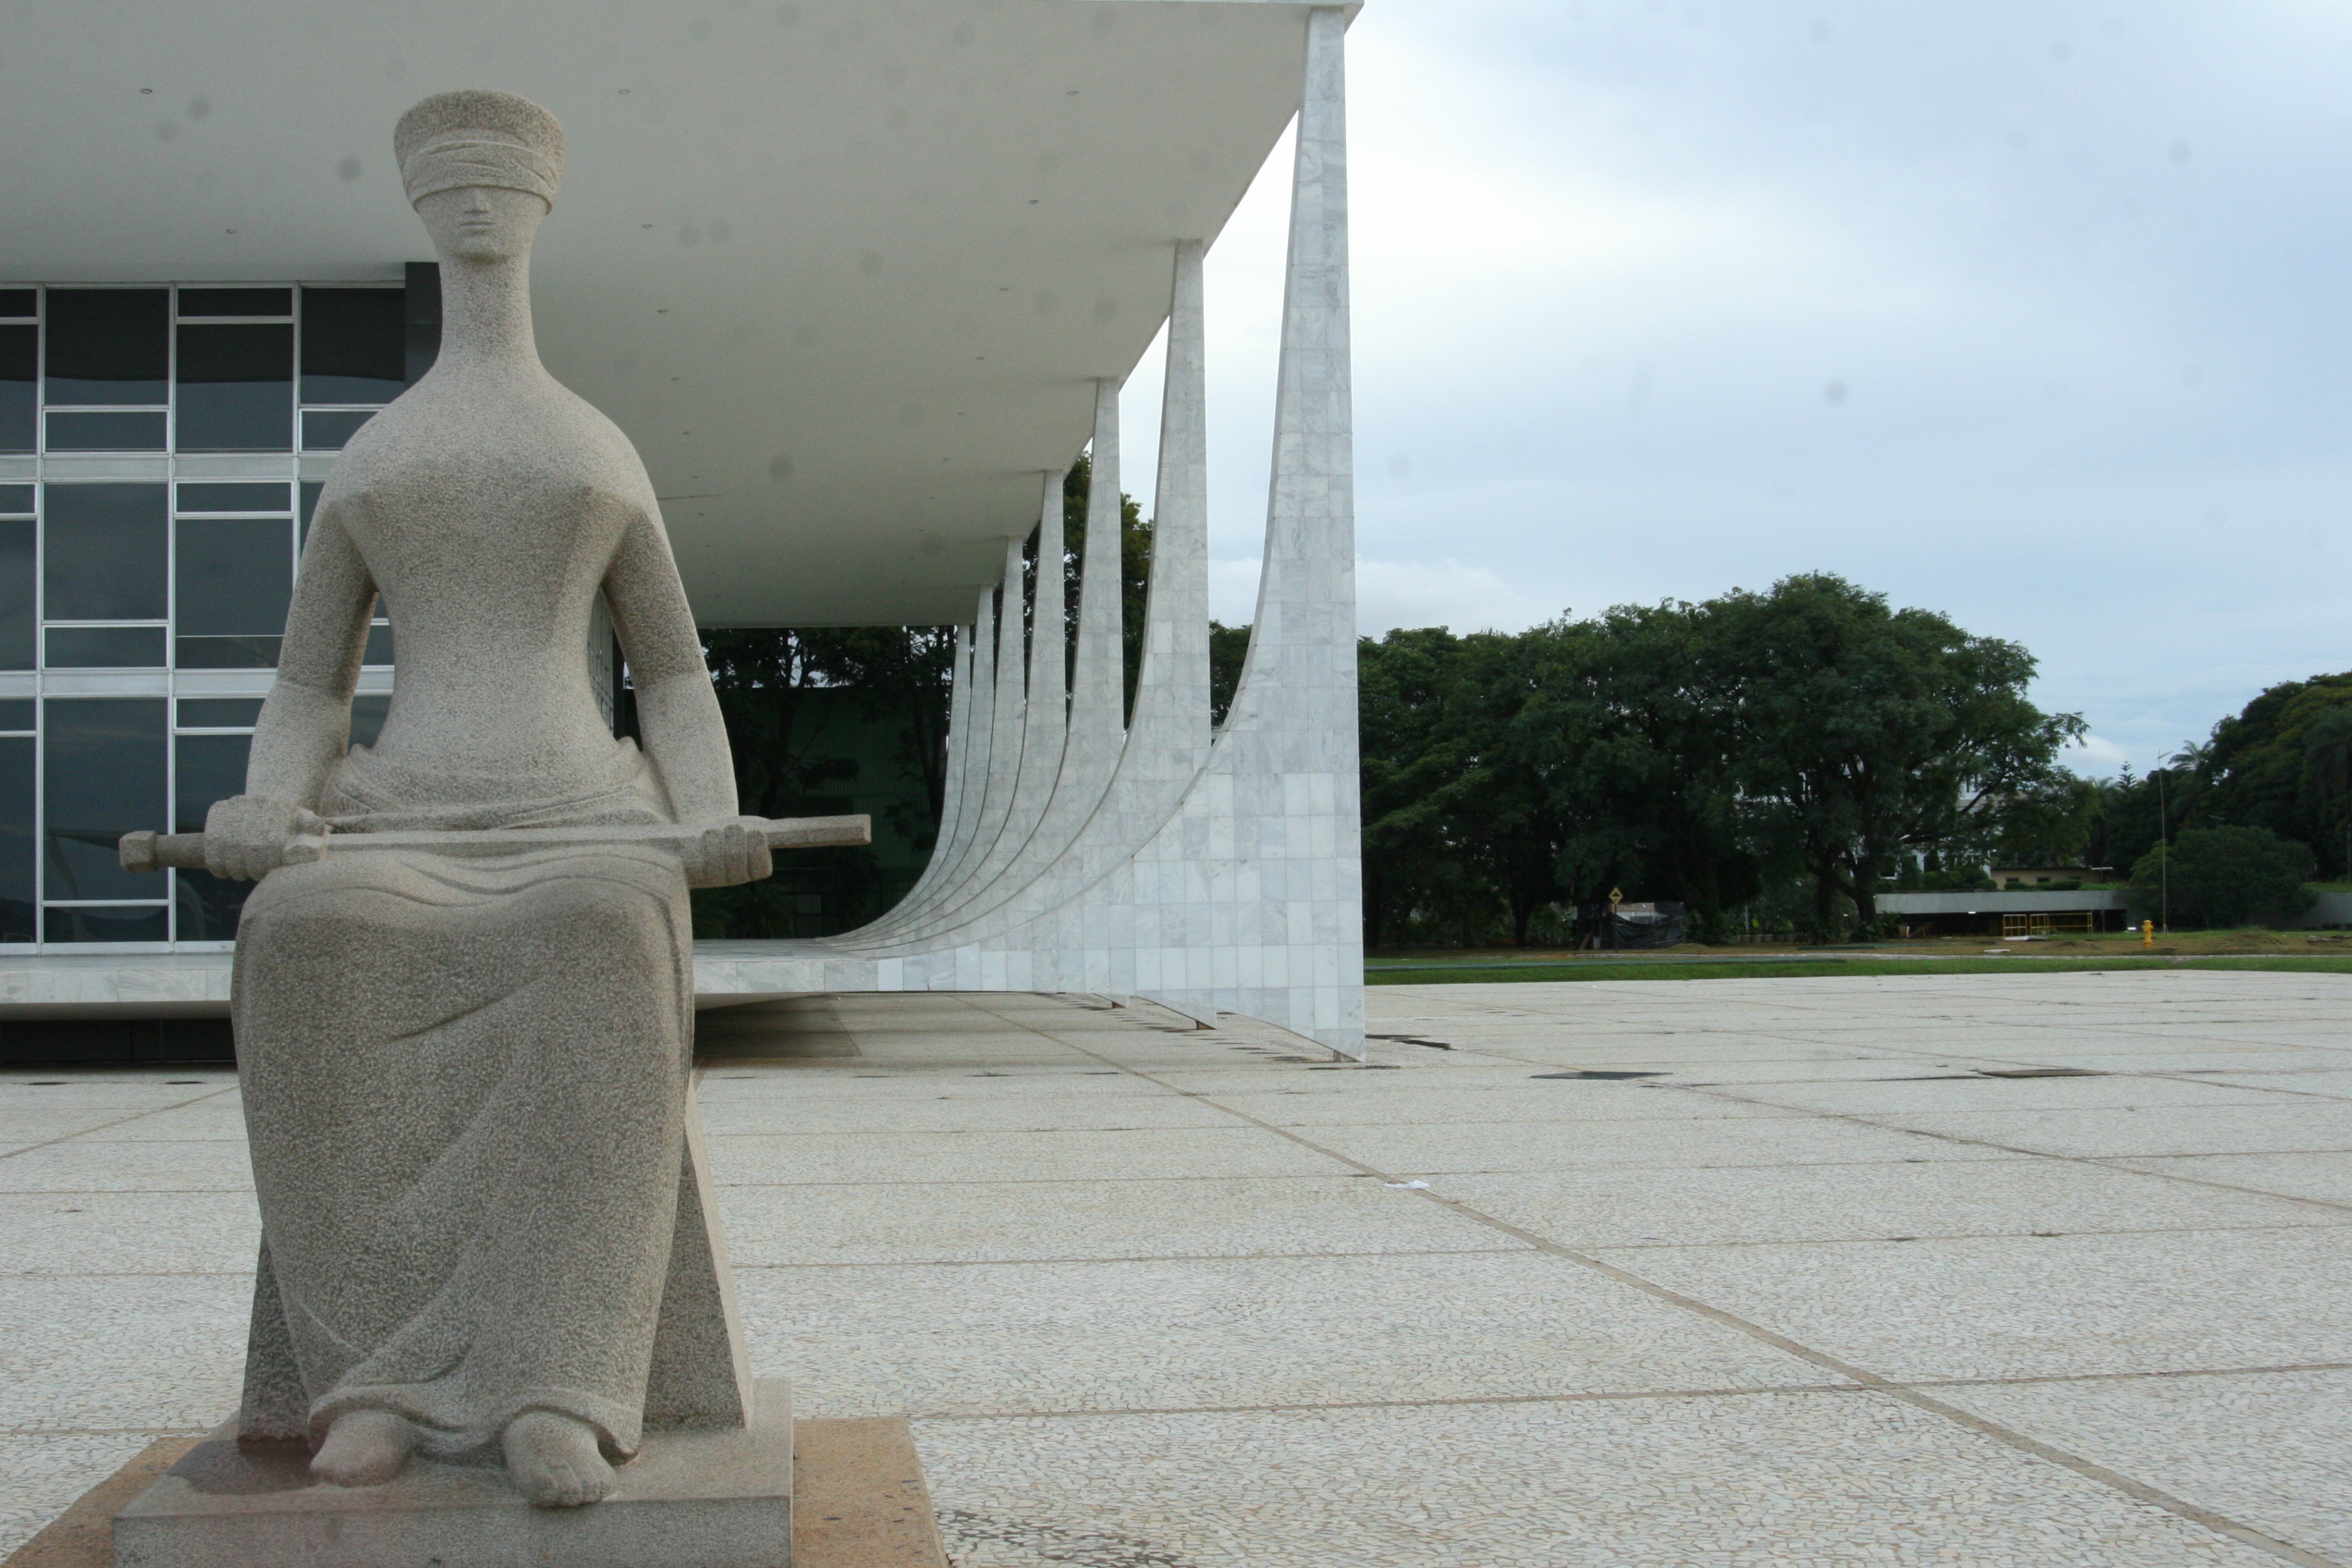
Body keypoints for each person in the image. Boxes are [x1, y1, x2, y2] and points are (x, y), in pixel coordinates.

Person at [204, 90, 766, 1508]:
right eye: (447, 192)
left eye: (497, 192)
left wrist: (707, 809)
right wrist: (268, 803)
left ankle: (558, 1385)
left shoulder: (593, 445)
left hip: (582, 809)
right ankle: (376, 1380)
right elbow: (308, 689)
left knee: (603, 934)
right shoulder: (380, 453)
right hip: (399, 813)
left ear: (536, 213)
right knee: (302, 936)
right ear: (423, 214)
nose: (474, 213)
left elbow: (678, 671)